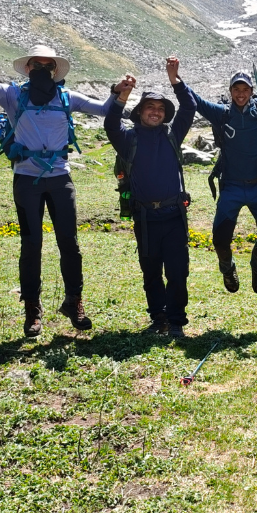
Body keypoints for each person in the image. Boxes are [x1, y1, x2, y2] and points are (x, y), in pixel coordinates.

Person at [0, 25, 122, 337]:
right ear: (27, 68)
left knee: (70, 244)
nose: (41, 69)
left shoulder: (68, 98)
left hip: (60, 178)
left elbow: (106, 110)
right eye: (36, 65)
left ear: (55, 70)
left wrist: (120, 95)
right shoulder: (12, 95)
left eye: (48, 65)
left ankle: (74, 302)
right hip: (26, 180)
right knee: (32, 245)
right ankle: (32, 311)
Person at [188, 39, 257, 294]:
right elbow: (195, 100)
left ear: (251, 90)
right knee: (220, 240)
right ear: (231, 91)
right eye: (236, 89)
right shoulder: (222, 113)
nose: (241, 94)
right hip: (231, 187)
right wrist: (176, 80)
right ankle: (227, 268)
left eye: (245, 89)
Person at [104, 58, 196, 337]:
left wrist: (174, 79)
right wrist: (121, 96)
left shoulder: (173, 135)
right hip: (144, 217)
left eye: (160, 108)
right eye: (149, 107)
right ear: (140, 112)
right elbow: (110, 123)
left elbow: (189, 106)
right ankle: (159, 320)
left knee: (178, 272)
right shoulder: (127, 139)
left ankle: (177, 322)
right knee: (151, 273)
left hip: (173, 216)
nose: (155, 112)